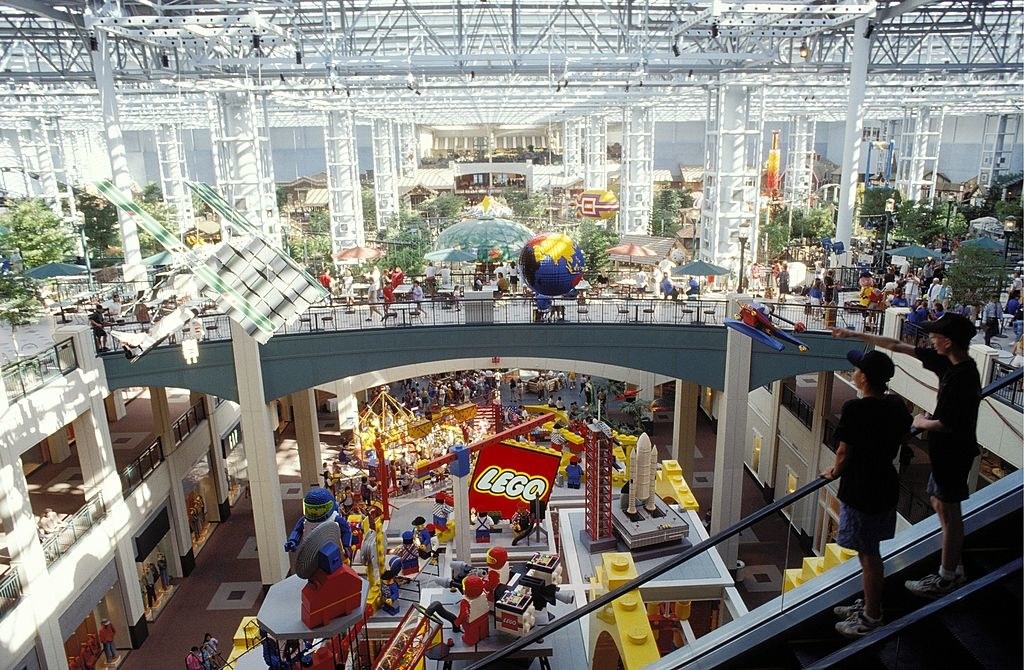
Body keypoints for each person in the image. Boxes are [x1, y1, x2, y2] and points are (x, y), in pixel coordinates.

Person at [832, 311, 980, 599]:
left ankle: (948, 576)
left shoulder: (963, 377)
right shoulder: (949, 363)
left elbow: (950, 423)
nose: (931, 341)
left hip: (954, 454)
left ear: (948, 342)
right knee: (940, 503)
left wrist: (922, 422)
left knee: (949, 512)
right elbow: (897, 346)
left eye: (936, 337)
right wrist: (856, 335)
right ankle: (954, 565)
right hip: (947, 454)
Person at [824, 350, 912, 637]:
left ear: (864, 377)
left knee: (868, 556)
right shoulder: (896, 406)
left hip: (862, 487)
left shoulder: (855, 409)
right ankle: (868, 604)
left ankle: (871, 616)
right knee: (870, 552)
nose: (853, 371)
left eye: (857, 369)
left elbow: (844, 450)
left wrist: (835, 471)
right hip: (885, 483)